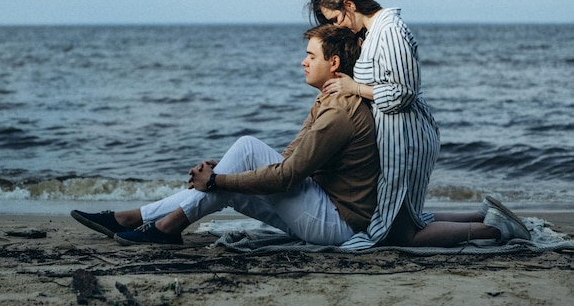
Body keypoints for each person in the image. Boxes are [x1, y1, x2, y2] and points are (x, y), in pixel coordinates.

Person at [71, 24, 380, 246]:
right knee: (234, 173)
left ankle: (165, 226)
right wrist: (226, 170)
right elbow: (289, 158)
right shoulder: (326, 99)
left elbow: (288, 176)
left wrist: (217, 179)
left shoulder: (339, 112)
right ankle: (135, 218)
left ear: (334, 63)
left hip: (338, 225)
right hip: (319, 213)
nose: (304, 61)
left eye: (311, 56)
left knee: (245, 147)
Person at [308, 0, 531, 248]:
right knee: (405, 218)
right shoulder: (374, 33)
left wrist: (353, 87)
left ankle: (496, 230)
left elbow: (404, 92)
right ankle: (483, 216)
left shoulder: (390, 31)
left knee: (404, 233)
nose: (335, 26)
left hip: (406, 138)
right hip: (395, 137)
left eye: (335, 18)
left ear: (350, 5)